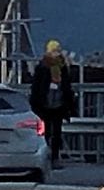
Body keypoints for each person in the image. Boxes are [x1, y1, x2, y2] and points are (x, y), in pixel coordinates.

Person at [30, 40, 76, 170]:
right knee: (46, 134)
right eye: (54, 50)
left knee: (56, 134)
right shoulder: (42, 67)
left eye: (58, 50)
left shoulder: (62, 67)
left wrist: (69, 106)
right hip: (44, 106)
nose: (56, 53)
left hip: (58, 106)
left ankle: (55, 158)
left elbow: (67, 87)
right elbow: (37, 88)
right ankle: (46, 159)